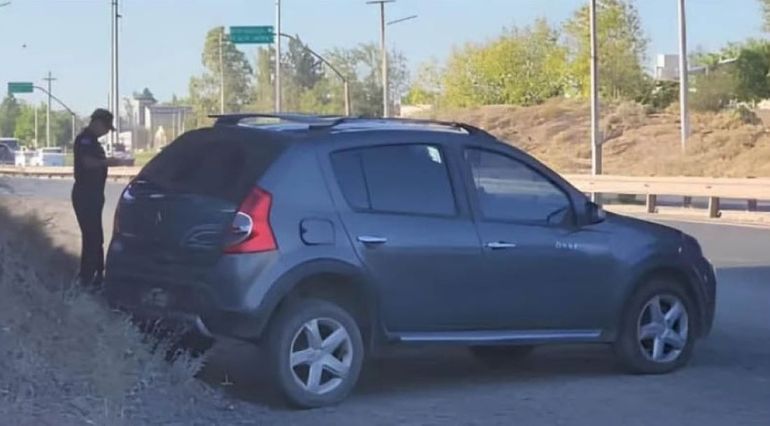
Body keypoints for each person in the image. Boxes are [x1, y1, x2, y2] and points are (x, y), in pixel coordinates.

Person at [72, 108, 114, 289]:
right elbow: (87, 163)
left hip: (94, 194)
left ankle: (97, 276)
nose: (106, 132)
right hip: (85, 194)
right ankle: (86, 280)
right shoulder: (85, 140)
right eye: (106, 128)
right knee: (92, 237)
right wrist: (110, 162)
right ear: (97, 123)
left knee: (96, 237)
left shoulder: (93, 141)